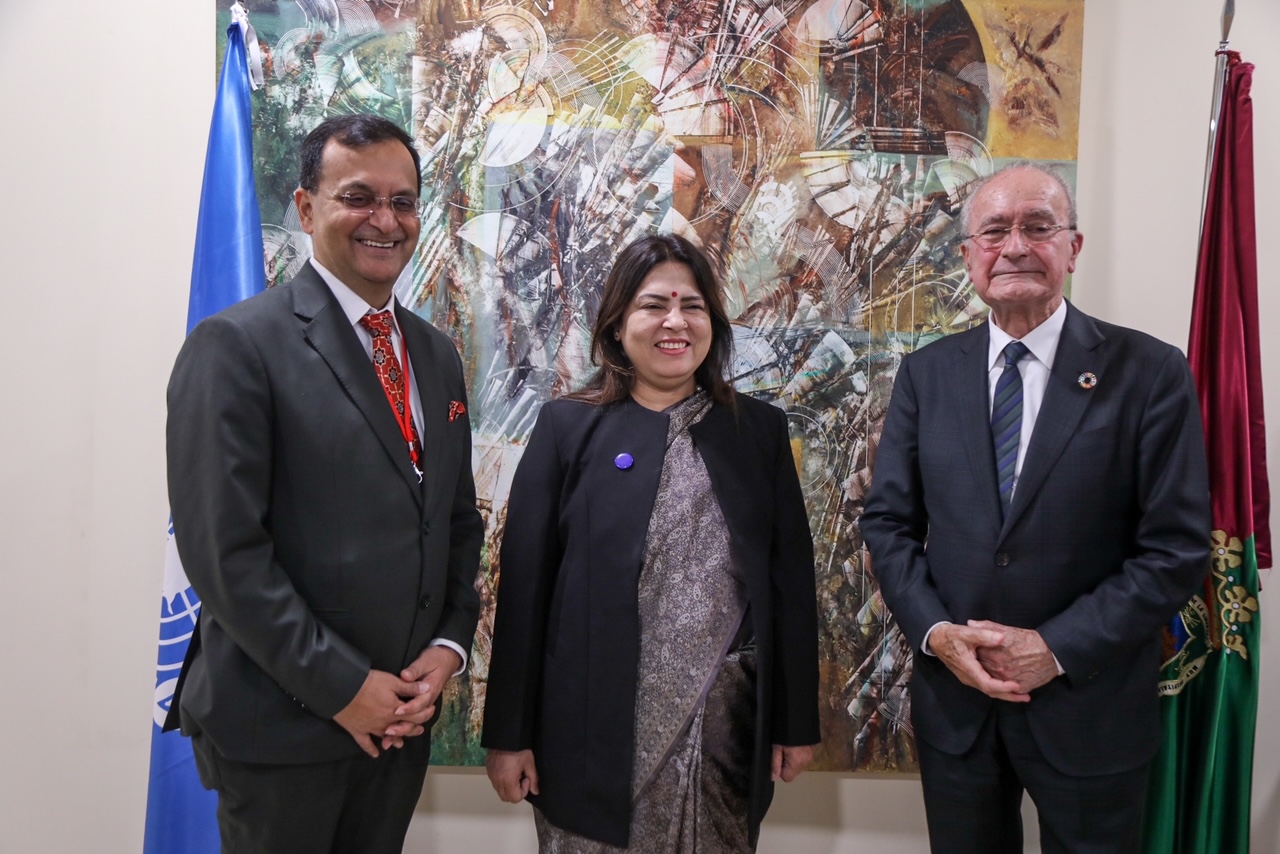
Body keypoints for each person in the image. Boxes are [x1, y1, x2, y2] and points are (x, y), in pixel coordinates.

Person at [860, 163, 1211, 853]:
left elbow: (1176, 548)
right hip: (958, 708)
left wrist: (1056, 648)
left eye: (1037, 227)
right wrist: (937, 635)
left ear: (1072, 248)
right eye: (994, 231)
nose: (1014, 246)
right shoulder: (926, 375)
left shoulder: (1150, 372)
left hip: (1092, 706)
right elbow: (889, 526)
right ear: (968, 257)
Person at [164, 113, 483, 853]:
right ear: (306, 208)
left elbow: (454, 522)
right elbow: (227, 556)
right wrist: (346, 688)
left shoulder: (435, 356)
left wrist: (448, 646)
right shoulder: (237, 346)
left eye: (403, 202)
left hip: (399, 730)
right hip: (281, 734)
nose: (385, 220)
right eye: (359, 197)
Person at [481, 233, 821, 851]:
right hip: (585, 733)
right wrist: (509, 734)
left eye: (692, 306)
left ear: (713, 324)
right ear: (616, 324)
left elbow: (790, 586)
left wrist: (795, 723)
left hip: (720, 735)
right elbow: (525, 591)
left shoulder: (759, 432)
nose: (675, 321)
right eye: (653, 304)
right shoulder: (566, 428)